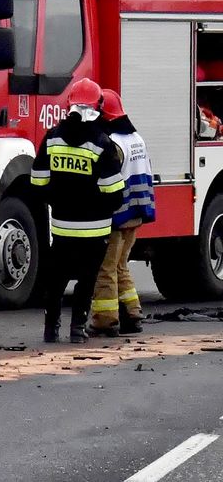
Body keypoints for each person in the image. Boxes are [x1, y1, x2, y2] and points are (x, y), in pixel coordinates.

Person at [31, 78, 125, 343]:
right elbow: (114, 192)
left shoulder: (51, 138)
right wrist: (100, 207)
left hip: (61, 225)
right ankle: (77, 330)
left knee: (56, 279)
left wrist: (57, 200)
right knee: (86, 280)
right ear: (97, 107)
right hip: (95, 229)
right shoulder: (102, 143)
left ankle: (51, 330)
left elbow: (38, 182)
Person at [90, 89, 155, 336]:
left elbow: (109, 181)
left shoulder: (113, 143)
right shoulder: (135, 138)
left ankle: (105, 320)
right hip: (136, 213)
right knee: (120, 265)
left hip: (118, 214)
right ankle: (132, 313)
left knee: (105, 268)